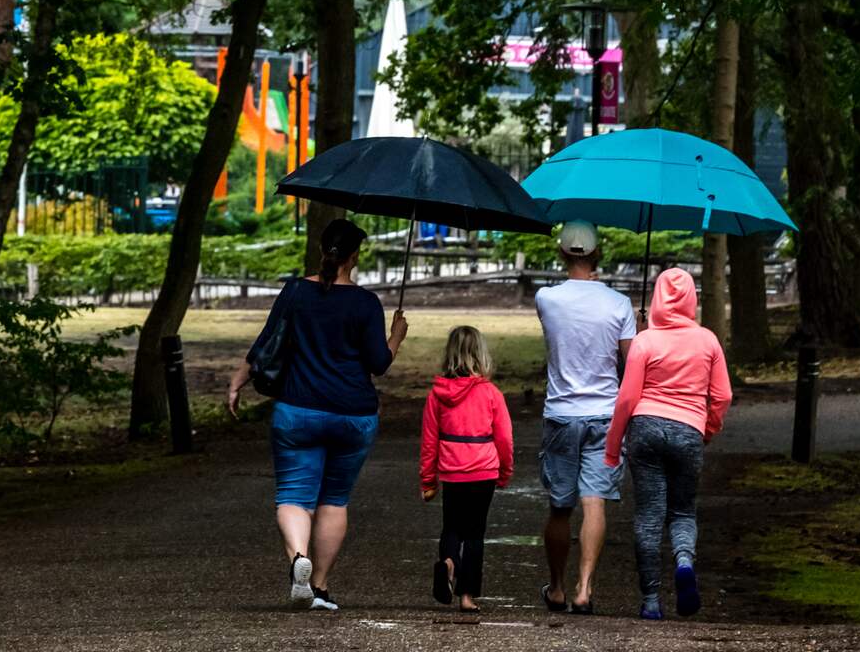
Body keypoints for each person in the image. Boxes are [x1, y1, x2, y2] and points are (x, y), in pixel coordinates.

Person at [228, 219, 409, 611]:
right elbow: (378, 364)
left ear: (322, 248)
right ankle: (321, 588)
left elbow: (267, 341)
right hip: (353, 415)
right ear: (354, 257)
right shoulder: (365, 302)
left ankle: (298, 559)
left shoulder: (295, 291)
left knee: (294, 495)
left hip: (299, 411)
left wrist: (238, 381)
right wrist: (396, 336)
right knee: (334, 500)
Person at [604, 267, 733, 620]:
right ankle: (684, 562)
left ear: (658, 298)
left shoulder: (646, 341)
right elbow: (722, 396)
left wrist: (613, 447)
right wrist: (706, 429)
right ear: (692, 298)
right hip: (688, 430)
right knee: (682, 511)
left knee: (648, 517)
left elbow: (627, 398)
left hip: (645, 430)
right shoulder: (708, 340)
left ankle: (650, 602)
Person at [534, 220, 636, 615]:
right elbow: (631, 363)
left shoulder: (547, 298)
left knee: (560, 506)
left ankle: (557, 587)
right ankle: (584, 588)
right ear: (598, 254)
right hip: (605, 414)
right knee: (595, 503)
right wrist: (636, 328)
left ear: (563, 252)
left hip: (561, 414)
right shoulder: (619, 304)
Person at [420, 326, 513, 613]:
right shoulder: (491, 393)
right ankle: (467, 596)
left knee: (452, 526)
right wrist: (505, 471)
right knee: (475, 533)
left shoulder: (437, 394)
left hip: (452, 470)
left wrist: (428, 480)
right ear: (480, 354)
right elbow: (504, 438)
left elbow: (429, 440)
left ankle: (448, 563)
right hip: (483, 470)